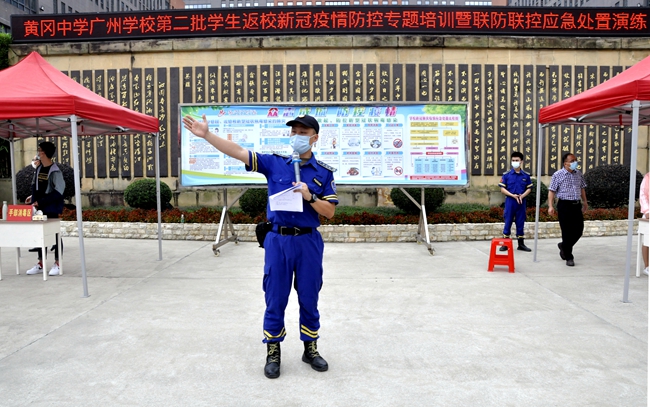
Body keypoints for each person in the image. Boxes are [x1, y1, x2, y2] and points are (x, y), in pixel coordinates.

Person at [182, 113, 338, 379]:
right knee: (275, 297)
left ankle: (310, 348)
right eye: (294, 132)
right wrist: (206, 135)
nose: (297, 136)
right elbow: (238, 151)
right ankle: (273, 351)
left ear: (315, 138)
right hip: (278, 240)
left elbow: (330, 212)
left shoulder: (323, 172)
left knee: (309, 296)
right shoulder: (274, 163)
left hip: (308, 242)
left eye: (303, 132)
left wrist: (309, 196)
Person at [25, 141, 65, 276]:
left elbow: (58, 192)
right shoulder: (38, 169)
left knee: (55, 235)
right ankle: (41, 263)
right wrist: (33, 199)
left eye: (40, 150)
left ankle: (58, 263)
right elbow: (35, 186)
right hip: (39, 208)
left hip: (51, 207)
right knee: (40, 235)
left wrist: (41, 202)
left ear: (45, 153)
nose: (38, 152)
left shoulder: (55, 171)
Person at [548, 152, 588, 267]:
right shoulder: (558, 175)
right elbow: (552, 191)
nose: (575, 163)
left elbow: (582, 188)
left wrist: (585, 202)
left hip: (576, 205)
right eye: (572, 161)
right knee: (566, 231)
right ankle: (569, 257)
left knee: (579, 230)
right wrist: (550, 206)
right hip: (564, 205)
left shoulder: (578, 174)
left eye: (575, 160)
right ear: (565, 163)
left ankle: (563, 246)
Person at [498, 151, 532, 252]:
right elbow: (502, 189)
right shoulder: (506, 175)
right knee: (508, 221)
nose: (515, 162)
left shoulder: (526, 175)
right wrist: (512, 195)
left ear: (521, 161)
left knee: (520, 222)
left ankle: (521, 244)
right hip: (510, 201)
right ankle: (505, 244)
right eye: (513, 160)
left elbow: (529, 188)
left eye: (517, 160)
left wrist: (522, 196)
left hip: (521, 202)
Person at [639, 172, 650, 275]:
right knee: (647, 241)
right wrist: (647, 211)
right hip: (648, 214)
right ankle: (647, 266)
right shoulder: (648, 177)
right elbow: (643, 195)